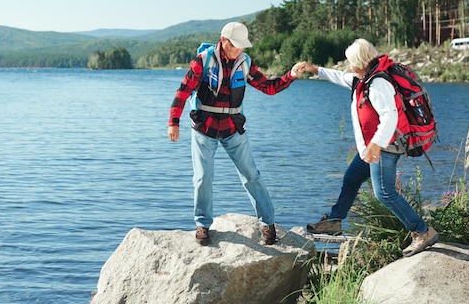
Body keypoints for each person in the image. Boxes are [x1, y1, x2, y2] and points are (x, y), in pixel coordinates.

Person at [168, 22, 305, 246]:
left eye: (242, 46)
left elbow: (269, 87)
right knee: (203, 178)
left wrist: (290, 75)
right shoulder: (203, 61)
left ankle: (267, 223)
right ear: (223, 41)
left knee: (252, 176)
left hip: (233, 127)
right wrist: (173, 122)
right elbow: (183, 91)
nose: (239, 51)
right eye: (235, 46)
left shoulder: (245, 62)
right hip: (205, 127)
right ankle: (202, 224)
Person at [304, 38, 438, 257]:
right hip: (372, 147)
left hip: (385, 147)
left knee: (384, 192)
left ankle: (422, 231)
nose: (348, 66)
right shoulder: (363, 79)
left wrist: (375, 145)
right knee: (351, 179)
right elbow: (341, 77)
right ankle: (335, 221)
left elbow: (389, 116)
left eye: (350, 62)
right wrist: (315, 69)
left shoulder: (377, 83)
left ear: (360, 61)